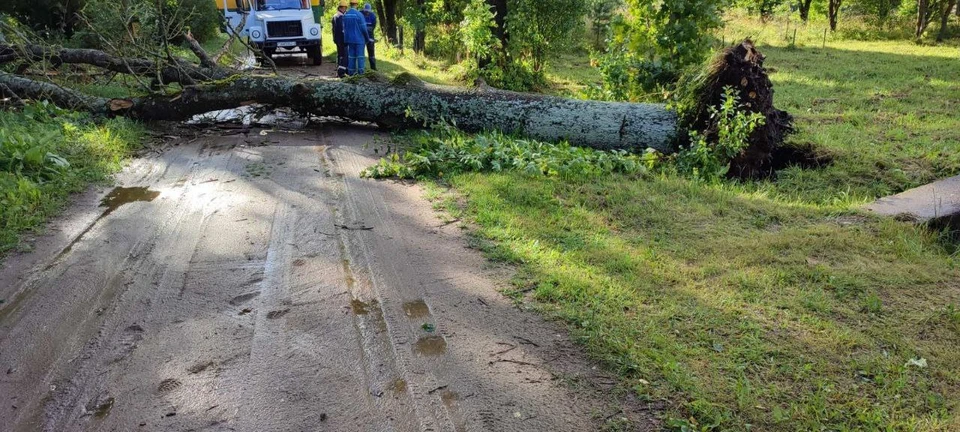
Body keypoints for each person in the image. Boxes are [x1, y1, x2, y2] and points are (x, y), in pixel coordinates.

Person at [342, 0, 372, 75]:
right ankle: (361, 75)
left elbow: (344, 28)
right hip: (359, 40)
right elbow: (364, 29)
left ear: (350, 4)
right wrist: (367, 39)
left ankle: (351, 73)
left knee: (351, 57)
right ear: (357, 5)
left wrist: (345, 40)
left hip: (350, 40)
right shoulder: (359, 15)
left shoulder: (346, 15)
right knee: (360, 57)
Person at [332, 0, 348, 77]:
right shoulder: (340, 17)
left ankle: (338, 71)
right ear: (343, 8)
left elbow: (333, 29)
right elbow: (342, 30)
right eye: (345, 8)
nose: (346, 10)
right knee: (343, 56)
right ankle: (341, 72)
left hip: (337, 39)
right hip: (342, 40)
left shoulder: (335, 16)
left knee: (339, 55)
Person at [360, 3, 377, 71]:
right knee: (360, 53)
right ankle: (361, 68)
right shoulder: (360, 14)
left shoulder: (373, 16)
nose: (367, 12)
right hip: (361, 36)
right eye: (366, 11)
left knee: (371, 53)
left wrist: (365, 29)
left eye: (368, 11)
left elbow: (372, 27)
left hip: (370, 36)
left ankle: (373, 68)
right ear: (363, 10)